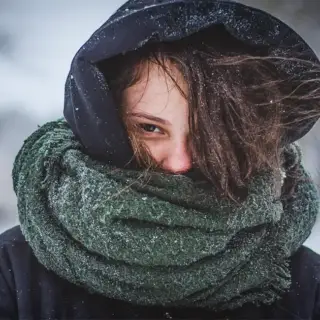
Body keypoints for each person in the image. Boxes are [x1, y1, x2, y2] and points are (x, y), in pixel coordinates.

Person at [1, 0, 320, 319]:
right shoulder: (13, 271)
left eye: (210, 136)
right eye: (149, 127)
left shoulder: (305, 285)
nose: (179, 163)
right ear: (104, 122)